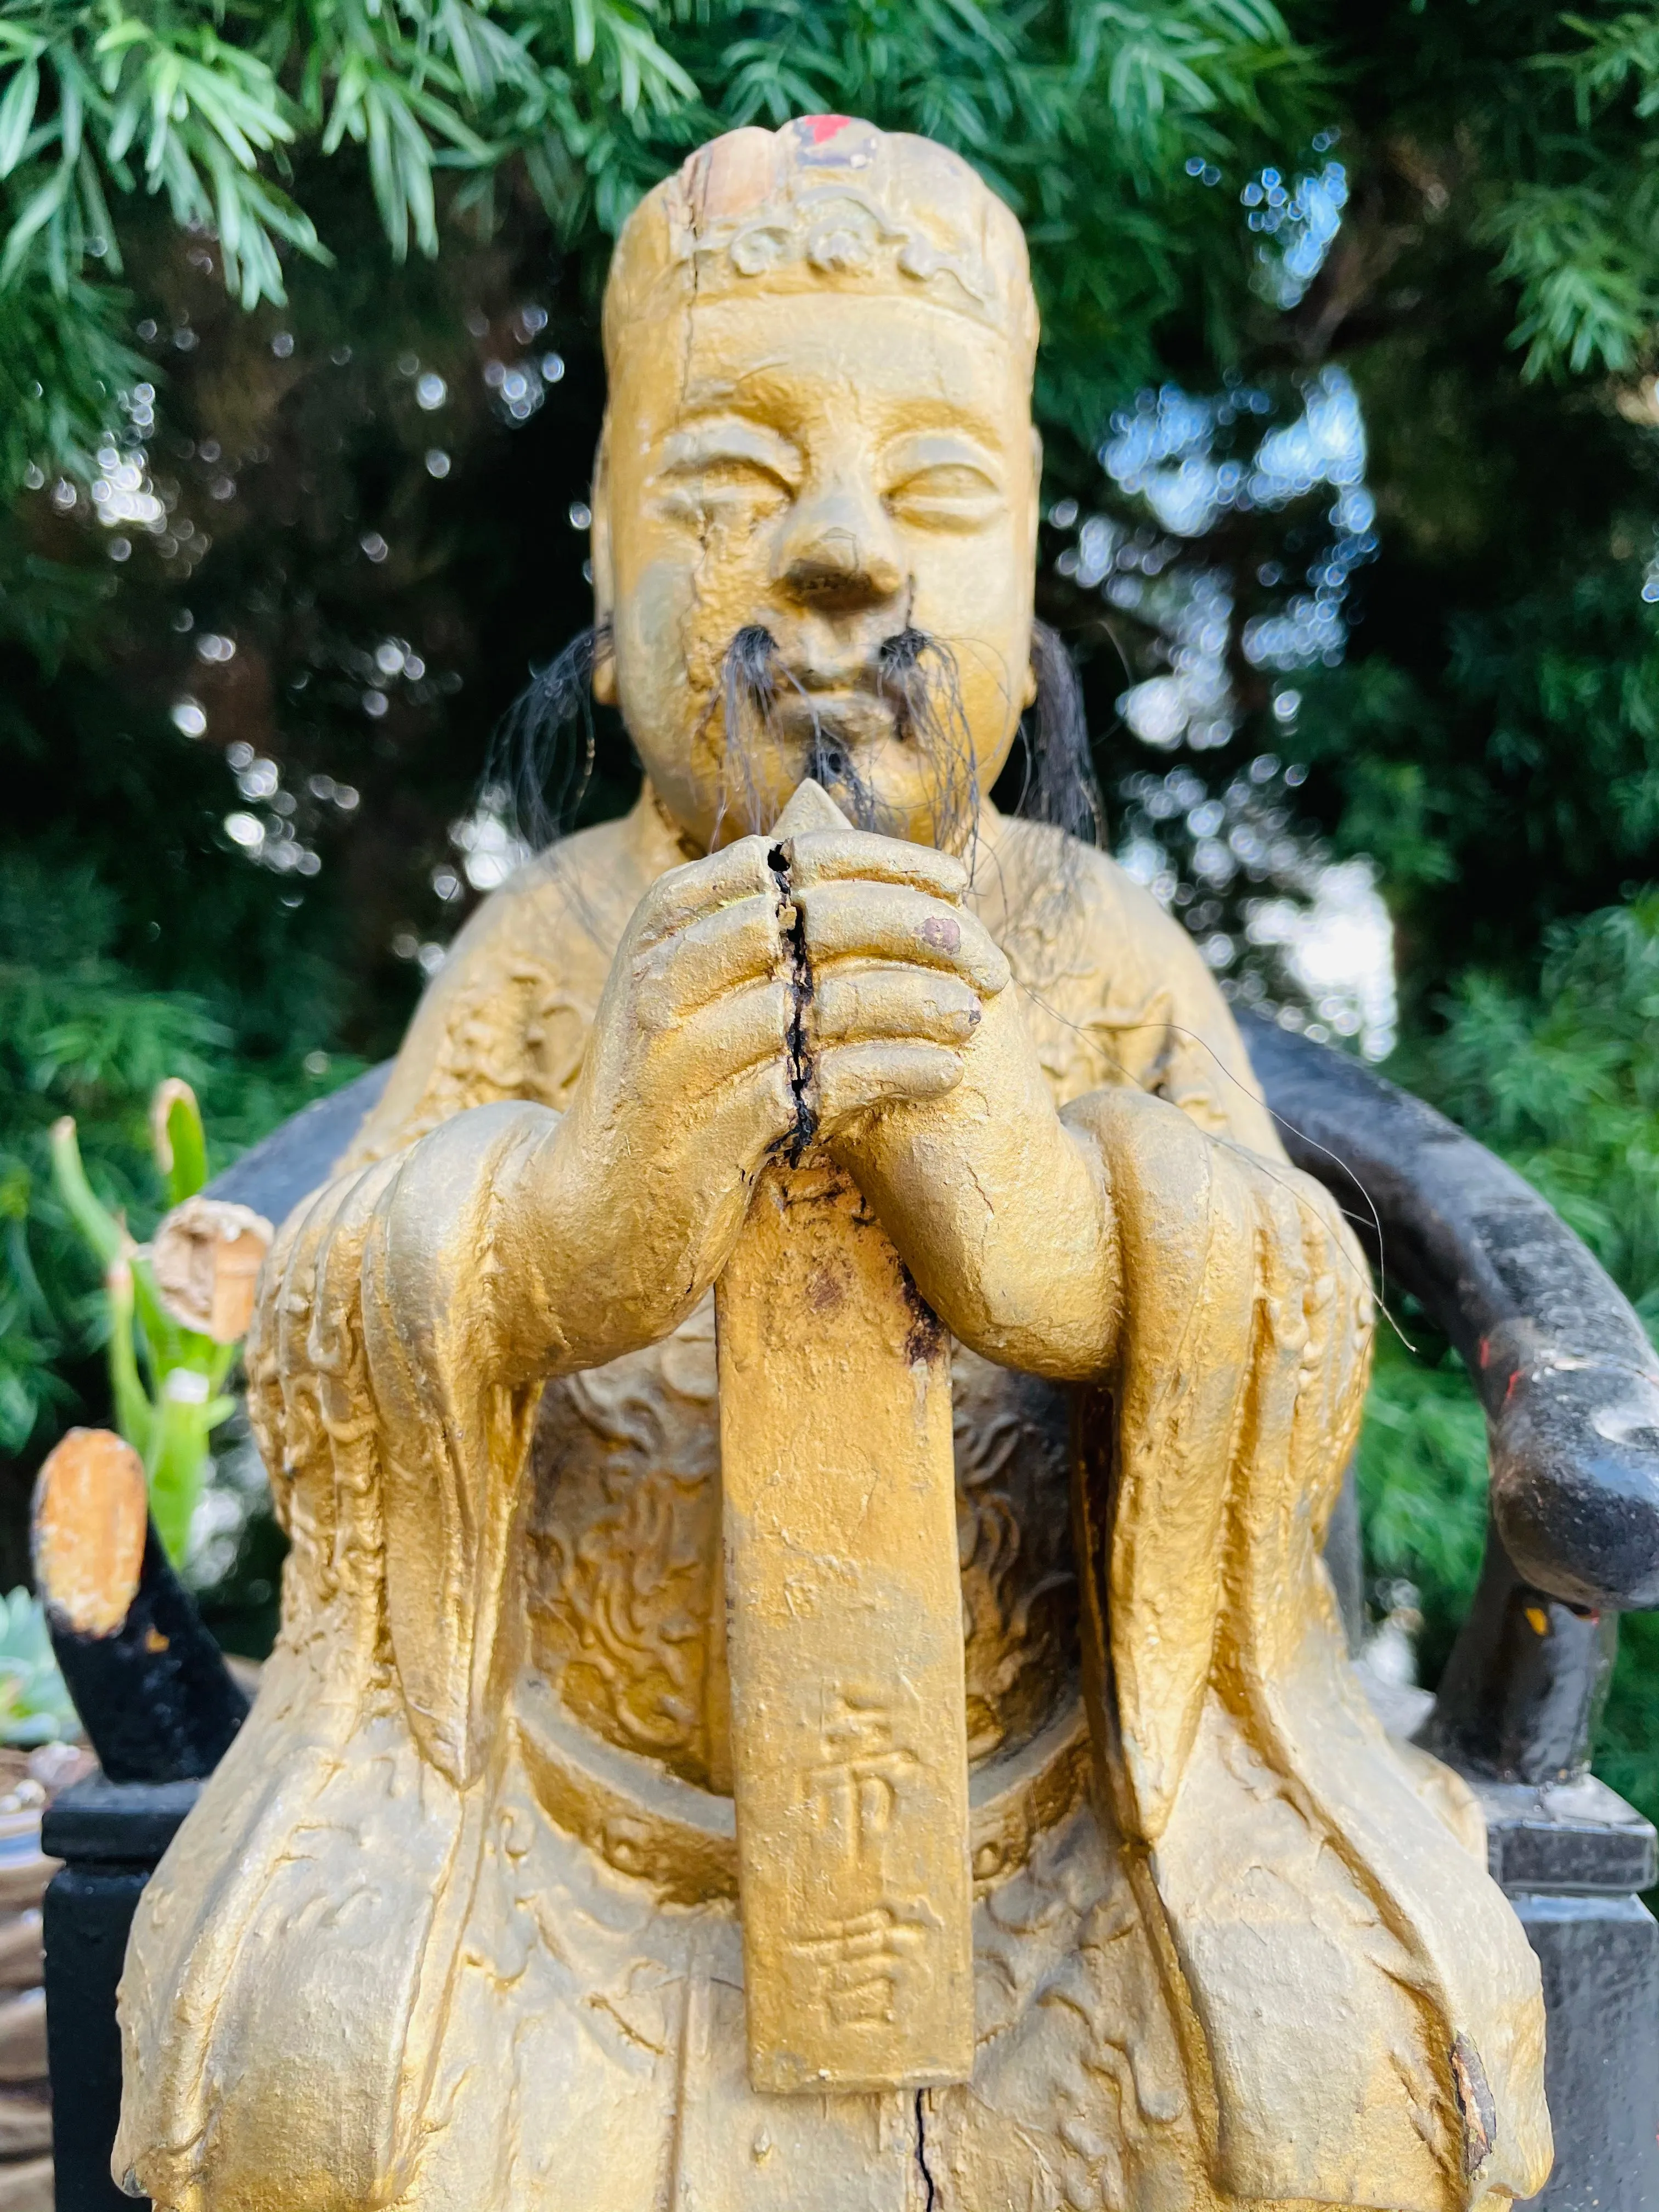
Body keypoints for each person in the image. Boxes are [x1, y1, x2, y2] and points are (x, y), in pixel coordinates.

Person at [117, 117, 1549, 2212]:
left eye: (941, 494)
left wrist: (1071, 1240)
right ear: (608, 605)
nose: (848, 558)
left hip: (1055, 1850)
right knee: (311, 2092)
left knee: (1339, 2092)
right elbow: (341, 1311)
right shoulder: (552, 952)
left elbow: (1295, 1303)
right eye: (728, 484)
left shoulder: (1087, 941)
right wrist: (562, 1227)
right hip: (578, 1859)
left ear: (1024, 604)